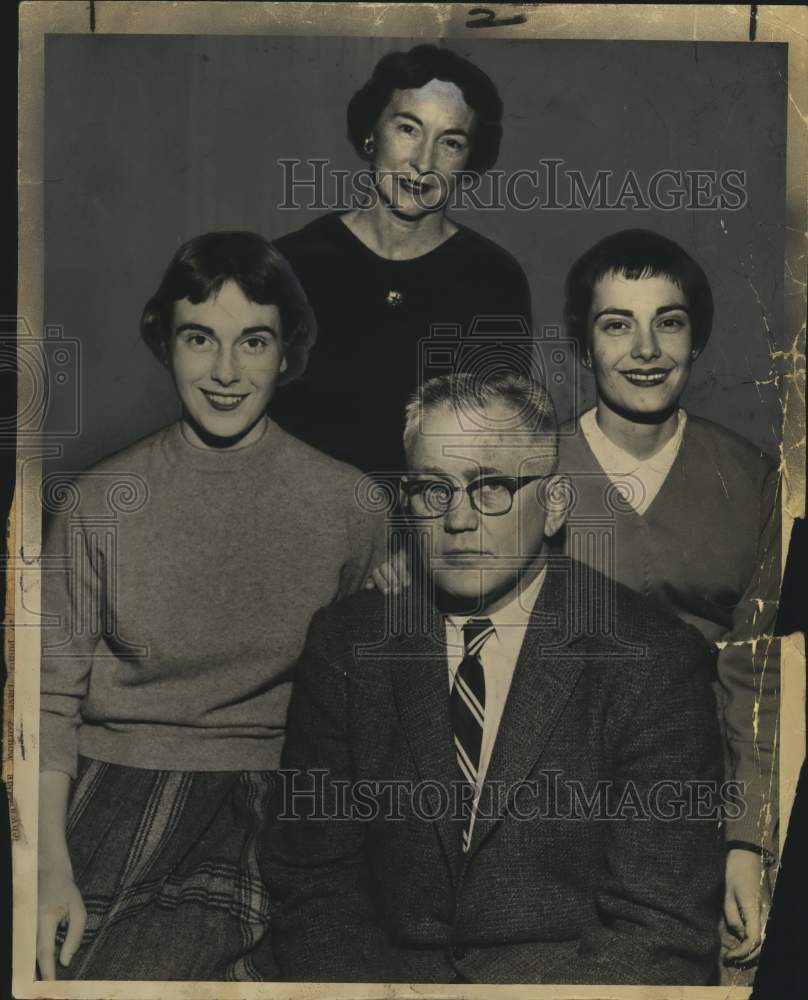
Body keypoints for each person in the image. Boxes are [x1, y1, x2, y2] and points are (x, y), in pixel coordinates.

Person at [266, 372, 725, 985]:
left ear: (556, 503)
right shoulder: (347, 644)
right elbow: (314, 884)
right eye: (434, 490)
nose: (458, 519)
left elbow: (661, 926)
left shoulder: (652, 657)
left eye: (491, 488)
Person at [36, 231, 383, 981]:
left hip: (281, 802)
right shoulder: (99, 501)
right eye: (201, 339)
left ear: (287, 353)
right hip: (112, 796)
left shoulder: (352, 504)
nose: (226, 372)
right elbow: (46, 700)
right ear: (166, 344)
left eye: (253, 342)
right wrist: (44, 871)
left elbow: (374, 699)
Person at [555, 228, 780, 973]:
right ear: (584, 345)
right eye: (617, 323)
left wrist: (745, 842)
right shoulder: (531, 473)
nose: (646, 348)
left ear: (696, 339)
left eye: (669, 321)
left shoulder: (754, 482)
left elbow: (762, 676)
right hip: (556, 803)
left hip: (701, 805)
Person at [271, 43, 533, 475]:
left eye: (450, 142)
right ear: (372, 134)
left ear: (468, 162)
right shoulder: (292, 262)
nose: (422, 163)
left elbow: (495, 442)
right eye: (408, 129)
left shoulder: (493, 278)